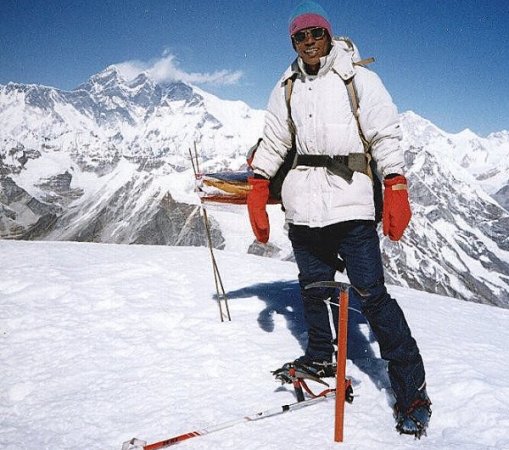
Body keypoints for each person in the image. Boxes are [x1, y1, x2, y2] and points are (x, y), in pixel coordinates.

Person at [246, 0, 431, 438]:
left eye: (316, 34)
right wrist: (258, 183)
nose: (309, 42)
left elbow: (385, 133)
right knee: (312, 289)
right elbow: (274, 140)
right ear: (293, 42)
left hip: (350, 204)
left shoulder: (358, 78)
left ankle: (412, 390)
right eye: (300, 36)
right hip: (304, 208)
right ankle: (321, 355)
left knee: (373, 297)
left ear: (329, 36)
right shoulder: (286, 86)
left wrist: (397, 185)